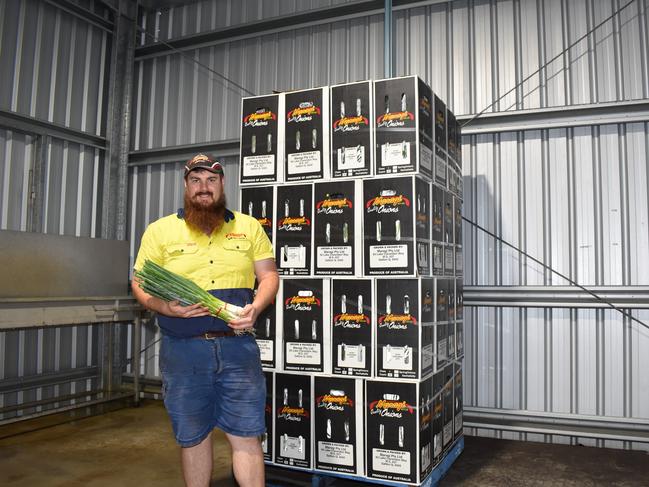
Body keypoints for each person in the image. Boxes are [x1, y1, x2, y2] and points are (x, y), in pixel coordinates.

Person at [132, 153, 279, 487]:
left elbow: (269, 276)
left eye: (211, 180)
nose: (203, 188)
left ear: (222, 184)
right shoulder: (161, 230)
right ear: (186, 185)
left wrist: (255, 306)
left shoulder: (248, 226)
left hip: (238, 350)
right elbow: (139, 282)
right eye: (195, 180)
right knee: (193, 436)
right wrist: (166, 308)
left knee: (246, 435)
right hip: (183, 352)